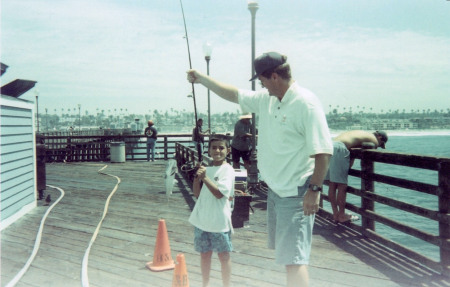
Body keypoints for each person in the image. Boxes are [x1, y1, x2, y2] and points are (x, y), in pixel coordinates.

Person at [187, 51, 333, 287]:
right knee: (288, 257)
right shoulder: (269, 100)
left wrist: (314, 190)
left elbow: (323, 151)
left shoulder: (306, 103)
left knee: (295, 259)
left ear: (274, 76)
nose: (262, 85)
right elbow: (233, 94)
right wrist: (202, 78)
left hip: (295, 192)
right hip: (276, 191)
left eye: (262, 80)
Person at [189, 136, 235, 287]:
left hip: (219, 223)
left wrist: (205, 178)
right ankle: (205, 284)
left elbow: (219, 193)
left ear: (228, 151)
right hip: (202, 221)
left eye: (221, 148)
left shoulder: (227, 170)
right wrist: (197, 177)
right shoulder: (206, 169)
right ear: (208, 150)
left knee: (224, 256)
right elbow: (197, 194)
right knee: (204, 255)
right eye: (214, 147)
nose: (217, 151)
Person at [327, 130, 388, 223]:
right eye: (380, 144)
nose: (378, 146)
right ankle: (342, 215)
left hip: (331, 146)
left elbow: (352, 151)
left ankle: (336, 214)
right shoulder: (374, 141)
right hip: (340, 149)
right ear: (379, 137)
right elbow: (371, 151)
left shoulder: (363, 133)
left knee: (333, 184)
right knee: (342, 186)